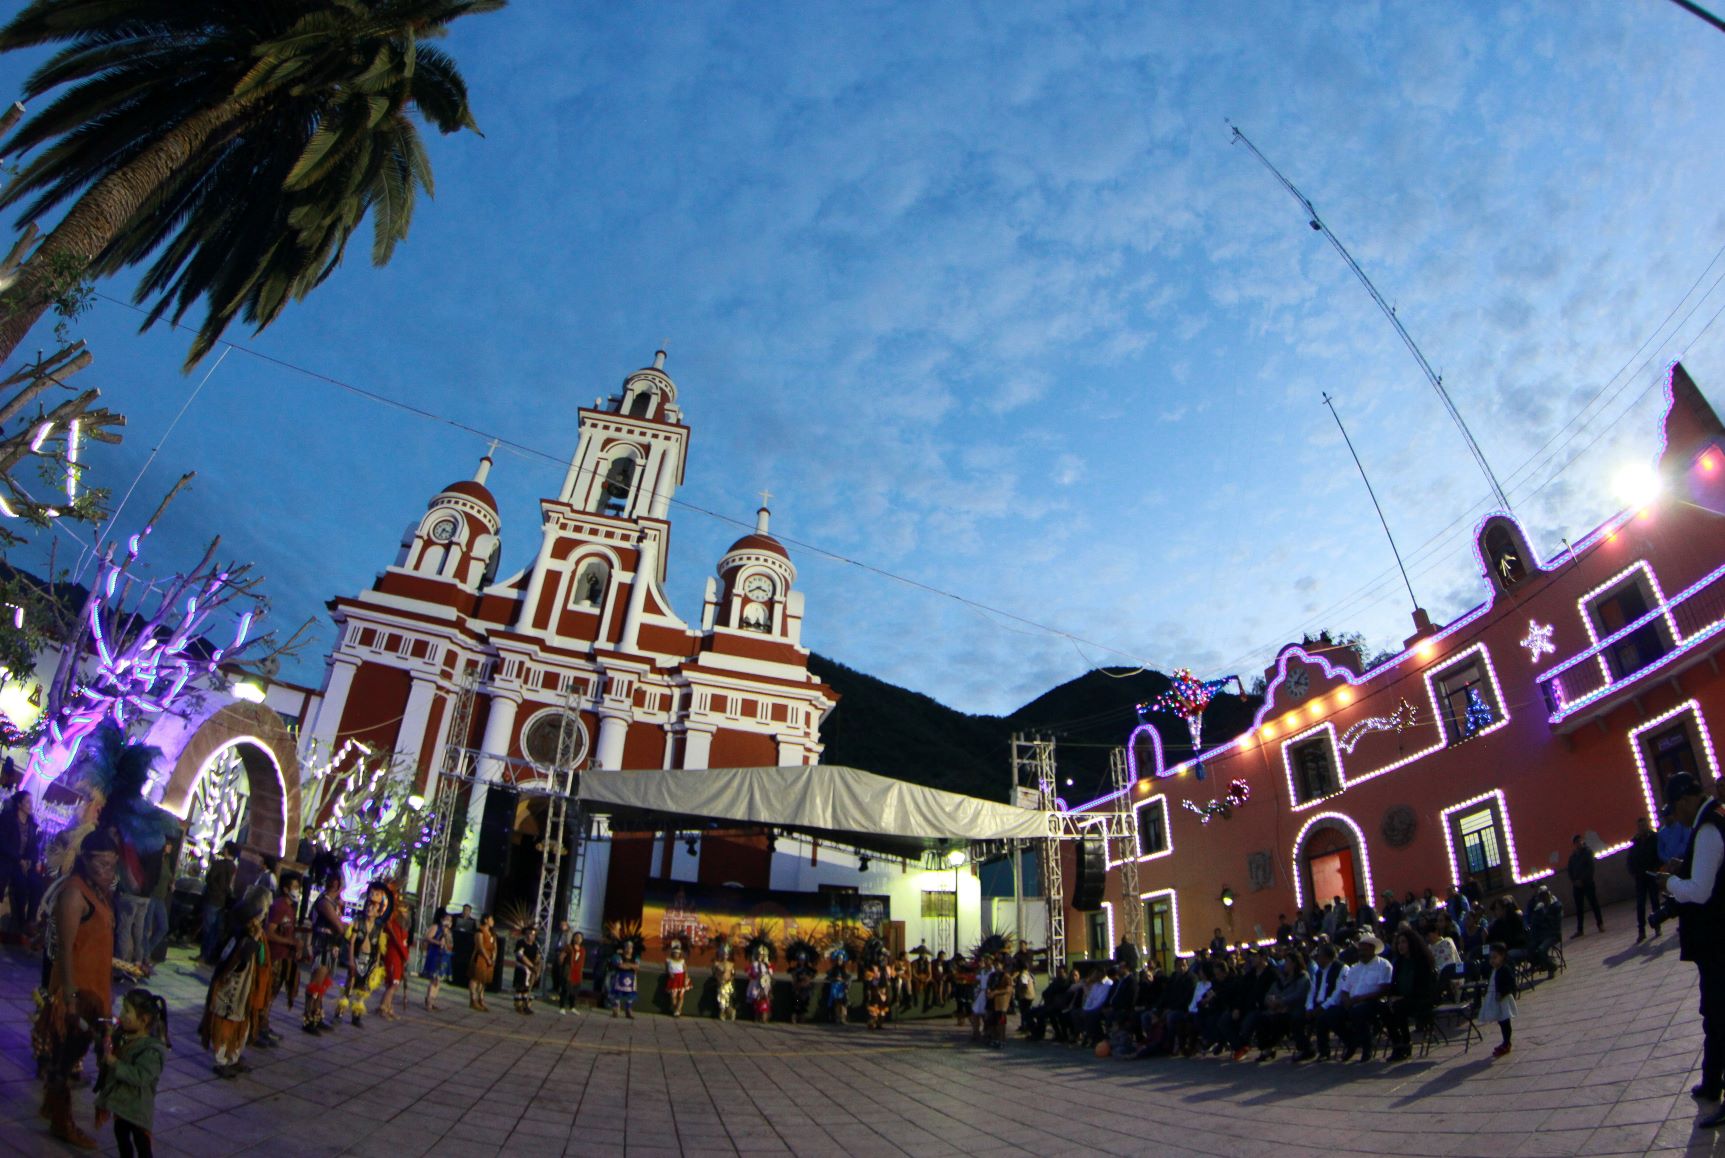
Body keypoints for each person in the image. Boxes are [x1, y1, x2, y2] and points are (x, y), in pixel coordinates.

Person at [36, 828, 118, 1148]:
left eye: (112, 865)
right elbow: (65, 950)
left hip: (94, 993)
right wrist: (69, 998)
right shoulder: (74, 893)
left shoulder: (99, 893)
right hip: (76, 994)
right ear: (85, 860)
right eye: (102, 864)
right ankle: (61, 1120)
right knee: (65, 1059)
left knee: (71, 1056)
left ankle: (52, 1109)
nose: (108, 871)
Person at [1656, 771, 1725, 1127]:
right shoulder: (1710, 822)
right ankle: (1712, 1082)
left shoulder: (1709, 829)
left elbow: (1700, 890)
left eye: (1674, 808)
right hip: (1713, 940)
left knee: (1721, 1014)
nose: (1675, 817)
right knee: (1713, 1012)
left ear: (1684, 801)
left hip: (1718, 939)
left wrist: (1670, 882)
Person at [94, 988, 170, 1158]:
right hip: (122, 1104)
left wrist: (115, 1063)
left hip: (138, 1109)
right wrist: (106, 1037)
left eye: (127, 1011)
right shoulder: (123, 1036)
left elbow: (141, 1076)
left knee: (141, 1143)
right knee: (121, 1136)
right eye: (123, 1008)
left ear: (144, 1020)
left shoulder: (151, 1051)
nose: (121, 1014)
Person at [200, 908, 267, 1079]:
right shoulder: (239, 938)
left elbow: (260, 960)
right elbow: (237, 961)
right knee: (225, 1024)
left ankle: (233, 1057)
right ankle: (221, 1061)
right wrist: (254, 940)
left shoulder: (252, 938)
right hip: (230, 990)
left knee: (242, 1024)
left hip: (243, 992)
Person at [1330, 932, 1392, 1063]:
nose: (1361, 953)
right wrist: (1346, 1000)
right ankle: (1351, 1043)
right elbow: (1345, 990)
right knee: (1331, 1015)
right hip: (1353, 1002)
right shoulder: (1354, 968)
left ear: (1372, 949)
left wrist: (1361, 998)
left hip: (1374, 1002)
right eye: (1360, 950)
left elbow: (1384, 990)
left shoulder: (1383, 965)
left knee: (1358, 1012)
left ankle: (1366, 1048)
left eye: (1364, 950)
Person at [0, 789, 41, 933]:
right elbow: (3, 843)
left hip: (25, 863)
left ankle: (31, 920)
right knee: (21, 885)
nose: (31, 805)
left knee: (37, 884)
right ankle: (20, 921)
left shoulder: (31, 825)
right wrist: (19, 859)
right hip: (10, 861)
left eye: (31, 802)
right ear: (19, 804)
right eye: (27, 802)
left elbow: (34, 848)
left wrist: (31, 861)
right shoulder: (7, 819)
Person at [199, 841, 238, 965]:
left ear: (226, 850)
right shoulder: (234, 868)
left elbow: (209, 879)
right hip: (224, 902)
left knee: (208, 928)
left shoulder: (218, 864)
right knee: (215, 930)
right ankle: (209, 955)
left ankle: (203, 955)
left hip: (213, 899)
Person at [1481, 941, 1518, 1059]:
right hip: (1496, 999)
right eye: (1491, 958)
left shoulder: (1505, 969)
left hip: (1503, 999)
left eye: (1495, 957)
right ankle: (1505, 1042)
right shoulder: (1494, 970)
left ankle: (1507, 1043)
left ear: (1502, 957)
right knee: (1501, 1022)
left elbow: (1511, 984)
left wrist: (1503, 993)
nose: (1492, 961)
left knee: (1505, 1021)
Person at [1629, 816, 1662, 943]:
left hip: (1652, 874)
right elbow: (1630, 859)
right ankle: (1641, 930)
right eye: (1640, 826)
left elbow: (1658, 854)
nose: (1641, 828)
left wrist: (1656, 869)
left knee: (1655, 901)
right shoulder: (1635, 842)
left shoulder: (1654, 838)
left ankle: (1657, 925)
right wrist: (1633, 871)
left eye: (1643, 825)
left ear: (1647, 825)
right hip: (1640, 877)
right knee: (1640, 904)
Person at [1567, 834, 1604, 938]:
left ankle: (1600, 924)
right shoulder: (1573, 857)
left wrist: (1582, 879)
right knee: (1579, 908)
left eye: (1580, 841)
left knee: (1594, 904)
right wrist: (1574, 881)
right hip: (1577, 885)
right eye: (1577, 842)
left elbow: (1590, 868)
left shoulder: (1587, 852)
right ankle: (1580, 929)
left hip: (1588, 883)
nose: (1579, 844)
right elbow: (1570, 870)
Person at [423, 911, 453, 1012]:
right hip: (435, 955)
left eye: (450, 920)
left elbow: (450, 943)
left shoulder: (448, 931)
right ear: (442, 919)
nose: (448, 922)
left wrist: (447, 934)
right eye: (447, 919)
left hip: (444, 957)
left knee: (438, 980)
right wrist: (438, 942)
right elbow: (427, 937)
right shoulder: (436, 927)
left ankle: (433, 1001)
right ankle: (429, 1002)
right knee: (434, 980)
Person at [469, 914, 496, 1012]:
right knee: (476, 978)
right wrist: (487, 958)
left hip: (489, 957)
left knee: (483, 980)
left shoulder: (492, 933)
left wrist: (493, 958)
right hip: (480, 957)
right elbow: (480, 946)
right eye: (491, 919)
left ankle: (481, 999)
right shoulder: (479, 931)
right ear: (485, 920)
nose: (492, 921)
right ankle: (473, 999)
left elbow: (494, 946)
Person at [513, 925, 541, 1015]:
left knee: (528, 988)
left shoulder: (536, 945)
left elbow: (538, 956)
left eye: (532, 935)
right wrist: (530, 965)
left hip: (532, 968)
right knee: (521, 986)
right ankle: (519, 1005)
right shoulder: (521, 943)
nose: (530, 936)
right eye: (529, 934)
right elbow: (520, 955)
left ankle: (526, 1005)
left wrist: (536, 966)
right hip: (522, 967)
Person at [985, 959, 1013, 1047]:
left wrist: (996, 992)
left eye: (998, 965)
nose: (996, 966)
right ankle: (994, 1038)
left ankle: (1002, 1039)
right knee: (991, 1021)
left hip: (1001, 1002)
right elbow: (988, 985)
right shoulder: (992, 975)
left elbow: (1009, 989)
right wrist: (988, 991)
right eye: (995, 965)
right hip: (991, 1001)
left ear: (1002, 965)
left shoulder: (1006, 976)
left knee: (1001, 1022)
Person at [608, 939, 639, 1018]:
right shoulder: (617, 956)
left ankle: (628, 1010)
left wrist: (627, 965)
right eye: (627, 947)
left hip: (631, 979)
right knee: (617, 995)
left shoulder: (636, 957)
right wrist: (631, 966)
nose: (629, 949)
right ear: (624, 948)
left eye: (630, 947)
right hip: (620, 978)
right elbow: (620, 966)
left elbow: (637, 966)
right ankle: (616, 1010)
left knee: (630, 996)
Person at [558, 929, 586, 1015]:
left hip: (577, 972)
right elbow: (562, 956)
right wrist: (561, 963)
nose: (578, 939)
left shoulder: (582, 949)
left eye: (580, 938)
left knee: (574, 991)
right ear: (573, 938)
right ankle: (562, 1007)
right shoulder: (569, 947)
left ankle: (572, 1006)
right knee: (566, 989)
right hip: (569, 970)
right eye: (576, 937)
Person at [747, 943, 773, 1022]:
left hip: (765, 984)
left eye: (762, 955)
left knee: (766, 998)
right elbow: (751, 973)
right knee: (756, 998)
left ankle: (765, 1015)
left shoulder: (767, 965)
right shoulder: (754, 964)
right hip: (756, 984)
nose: (761, 957)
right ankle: (756, 1015)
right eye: (760, 955)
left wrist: (766, 975)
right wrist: (757, 975)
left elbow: (770, 973)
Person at [713, 942, 737, 1021]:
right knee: (721, 999)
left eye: (726, 954)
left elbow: (733, 974)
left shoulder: (731, 964)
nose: (724, 956)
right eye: (723, 954)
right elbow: (715, 974)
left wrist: (729, 980)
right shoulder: (717, 964)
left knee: (727, 1000)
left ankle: (730, 1012)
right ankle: (722, 1013)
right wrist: (719, 980)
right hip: (721, 983)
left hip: (728, 985)